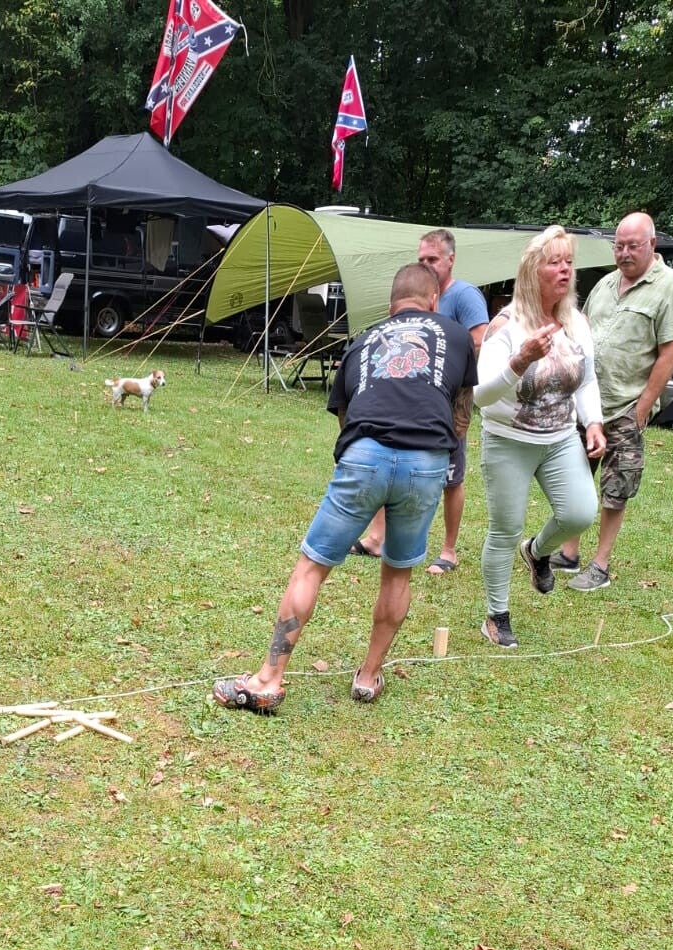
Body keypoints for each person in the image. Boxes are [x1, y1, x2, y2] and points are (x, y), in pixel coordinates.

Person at [212, 262, 478, 715]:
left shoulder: (363, 341)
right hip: (426, 461)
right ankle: (368, 677)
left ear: (391, 306)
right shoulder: (455, 334)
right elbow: (461, 412)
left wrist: (365, 462)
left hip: (364, 455)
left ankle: (268, 679)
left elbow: (345, 415)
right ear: (433, 300)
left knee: (311, 567)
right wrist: (434, 458)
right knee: (397, 573)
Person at [474, 225, 606, 648]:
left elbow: (586, 380)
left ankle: (536, 551)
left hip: (559, 437)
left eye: (569, 262)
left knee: (580, 512)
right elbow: (481, 395)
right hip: (508, 438)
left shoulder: (576, 322)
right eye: (555, 262)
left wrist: (594, 422)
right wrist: (520, 360)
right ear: (533, 271)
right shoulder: (505, 326)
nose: (565, 269)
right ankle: (496, 616)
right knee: (505, 529)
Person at [554, 212, 673, 589]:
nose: (624, 253)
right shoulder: (605, 283)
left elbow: (669, 353)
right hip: (588, 405)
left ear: (652, 244)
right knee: (576, 479)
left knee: (615, 488)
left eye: (633, 246)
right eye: (619, 246)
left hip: (626, 406)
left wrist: (642, 408)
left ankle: (600, 565)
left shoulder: (670, 287)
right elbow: (581, 330)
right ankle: (568, 554)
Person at [351, 228, 489, 572]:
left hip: (448, 403)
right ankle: (376, 537)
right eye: (422, 259)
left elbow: (480, 340)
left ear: (450, 260)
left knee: (451, 477)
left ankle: (449, 550)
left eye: (433, 259)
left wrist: (443, 371)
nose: (426, 264)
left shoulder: (464, 295)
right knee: (388, 457)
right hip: (408, 402)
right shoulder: (413, 295)